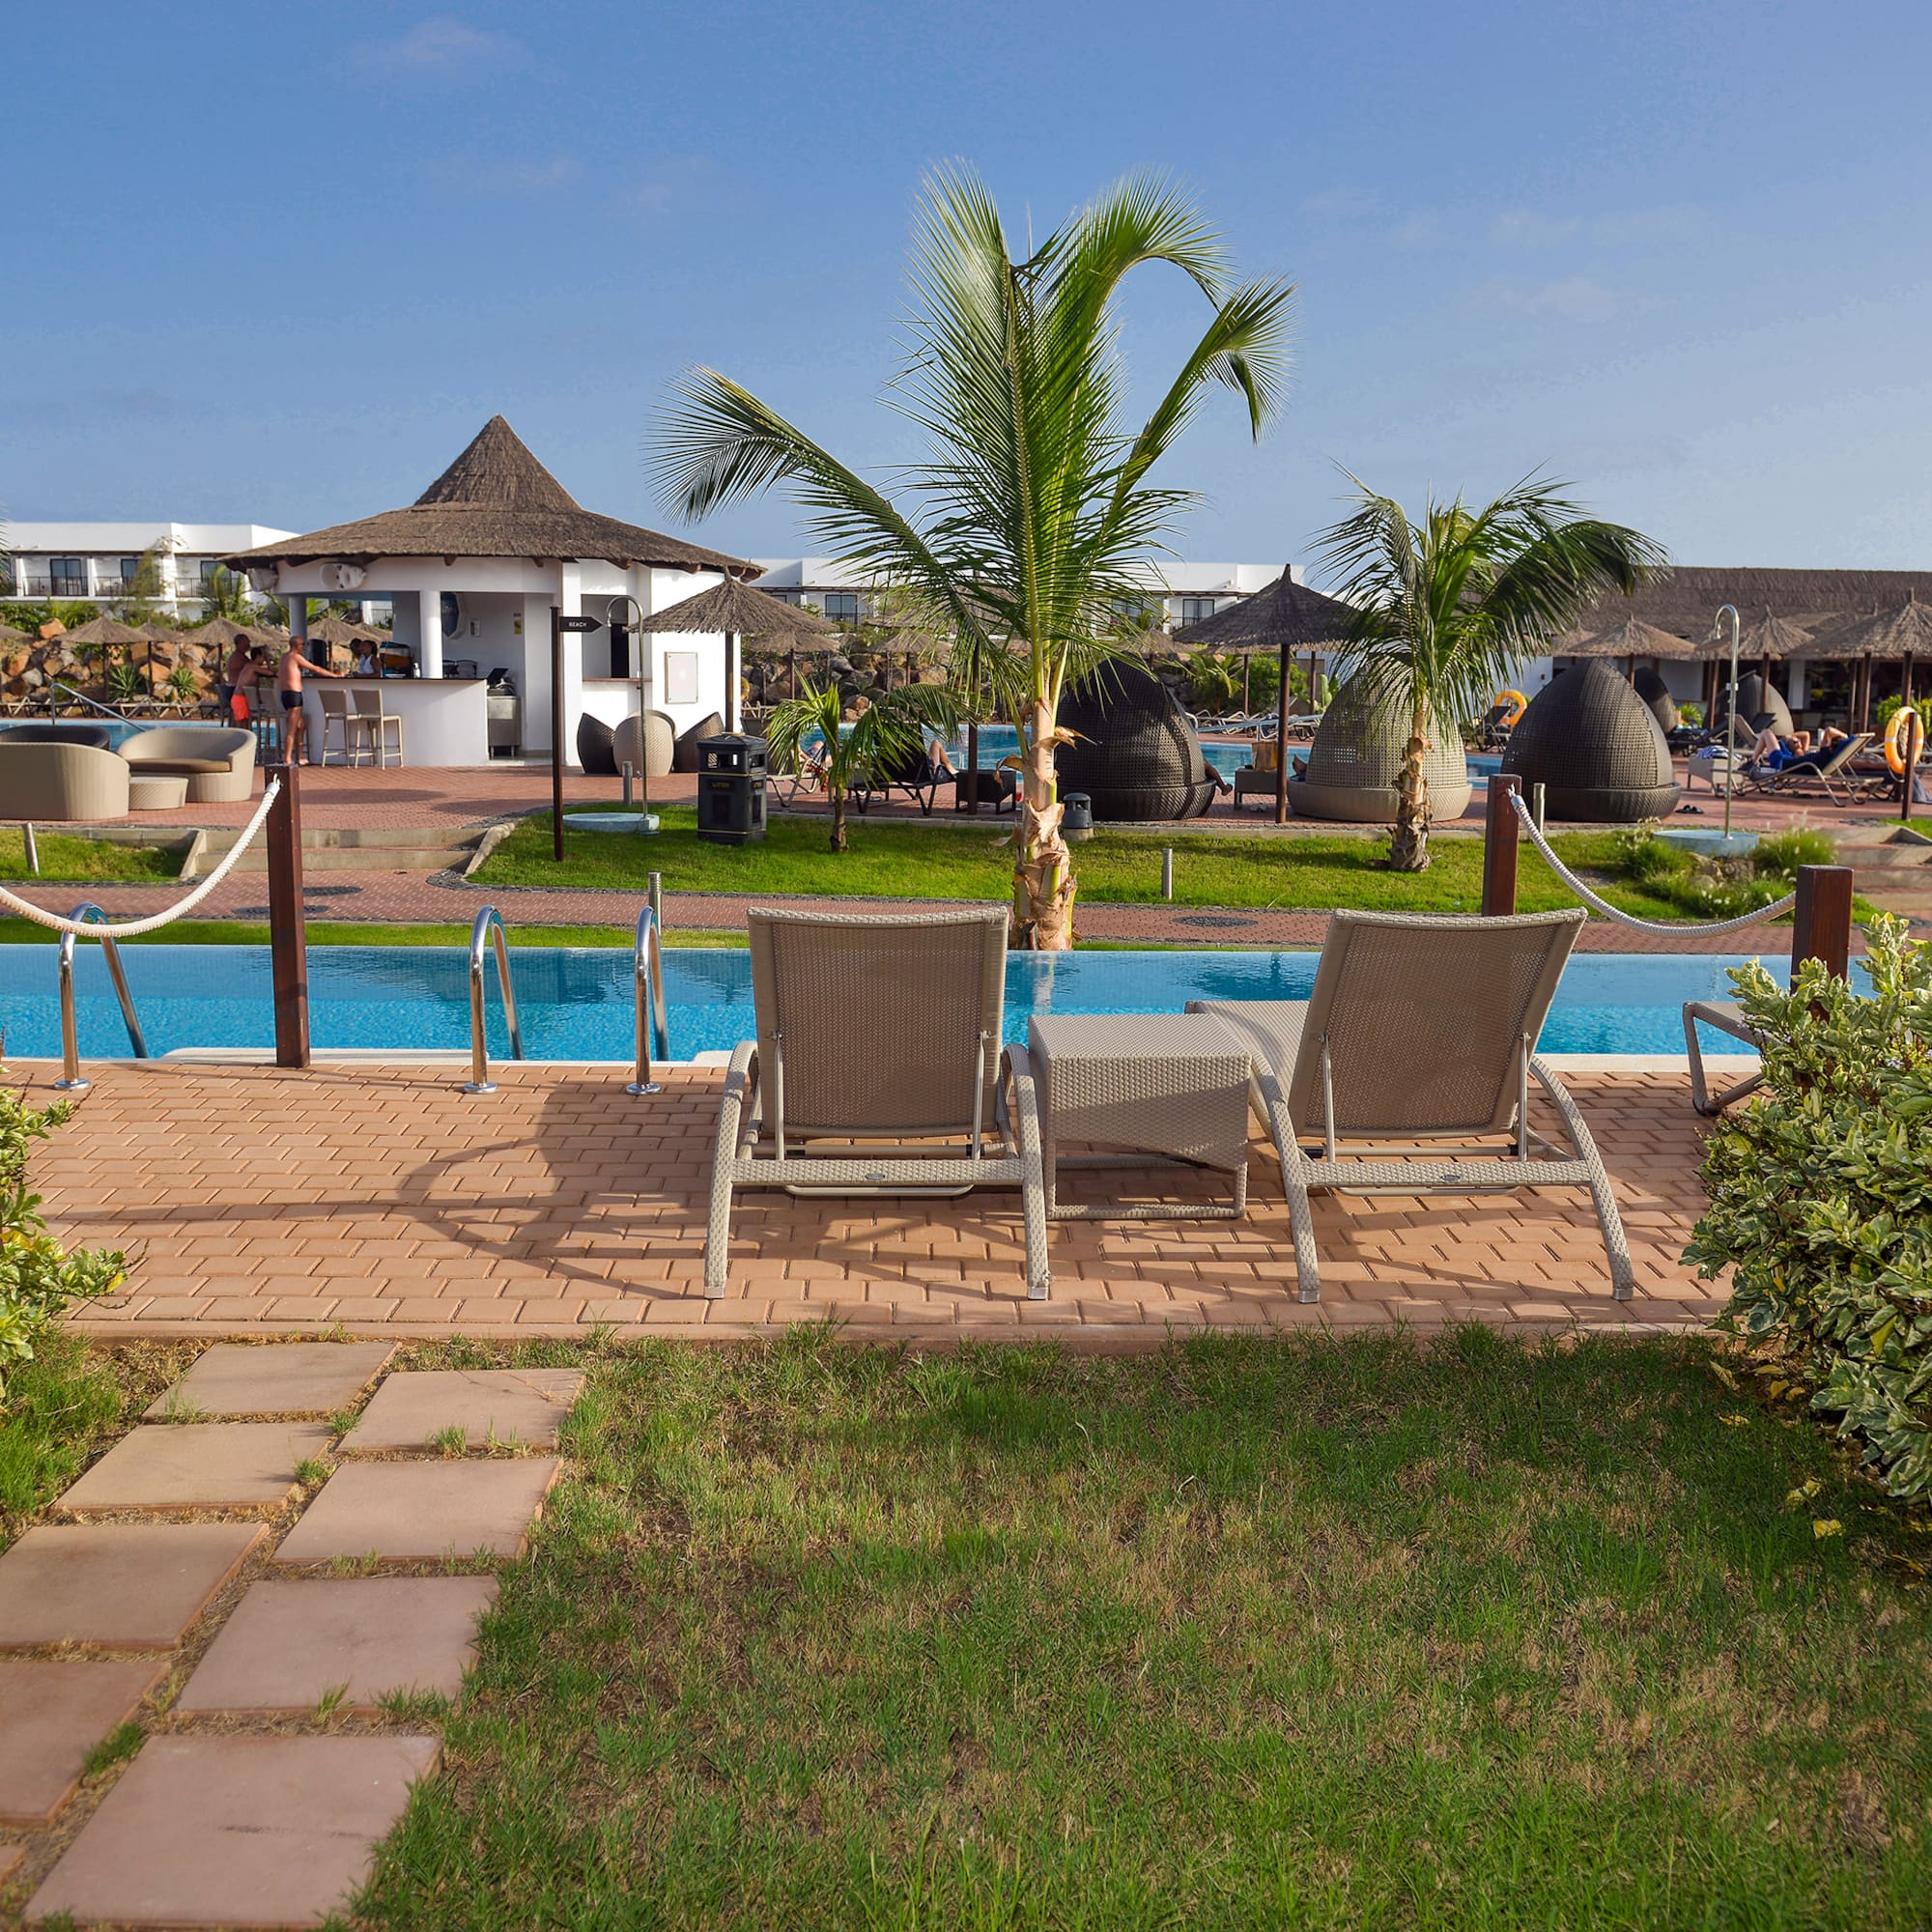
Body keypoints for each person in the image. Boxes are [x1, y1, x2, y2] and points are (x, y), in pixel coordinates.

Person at [276, 641, 346, 765]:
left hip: (285, 694)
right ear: (297, 645)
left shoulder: (283, 657)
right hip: (294, 694)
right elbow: (315, 668)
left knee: (301, 725)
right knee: (292, 729)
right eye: (302, 645)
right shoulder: (295, 657)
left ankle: (300, 756)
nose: (304, 647)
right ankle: (287, 758)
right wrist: (334, 676)